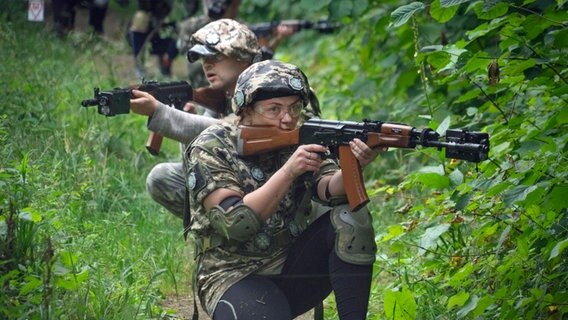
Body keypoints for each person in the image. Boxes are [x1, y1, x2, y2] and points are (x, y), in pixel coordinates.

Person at [184, 60, 384, 319]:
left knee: (351, 218)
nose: (287, 118)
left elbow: (327, 188)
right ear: (246, 111)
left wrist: (354, 165)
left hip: (293, 265)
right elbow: (235, 222)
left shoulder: (303, 135)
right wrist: (289, 171)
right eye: (274, 109)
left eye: (294, 107)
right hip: (233, 273)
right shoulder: (212, 146)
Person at [132, 18, 264, 219]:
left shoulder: (267, 91)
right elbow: (194, 166)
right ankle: (220, 231)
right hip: (238, 181)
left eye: (216, 57)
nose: (207, 65)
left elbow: (233, 133)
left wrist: (160, 112)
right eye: (203, 59)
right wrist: (187, 124)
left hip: (268, 184)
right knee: (161, 178)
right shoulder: (225, 96)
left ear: (243, 58)